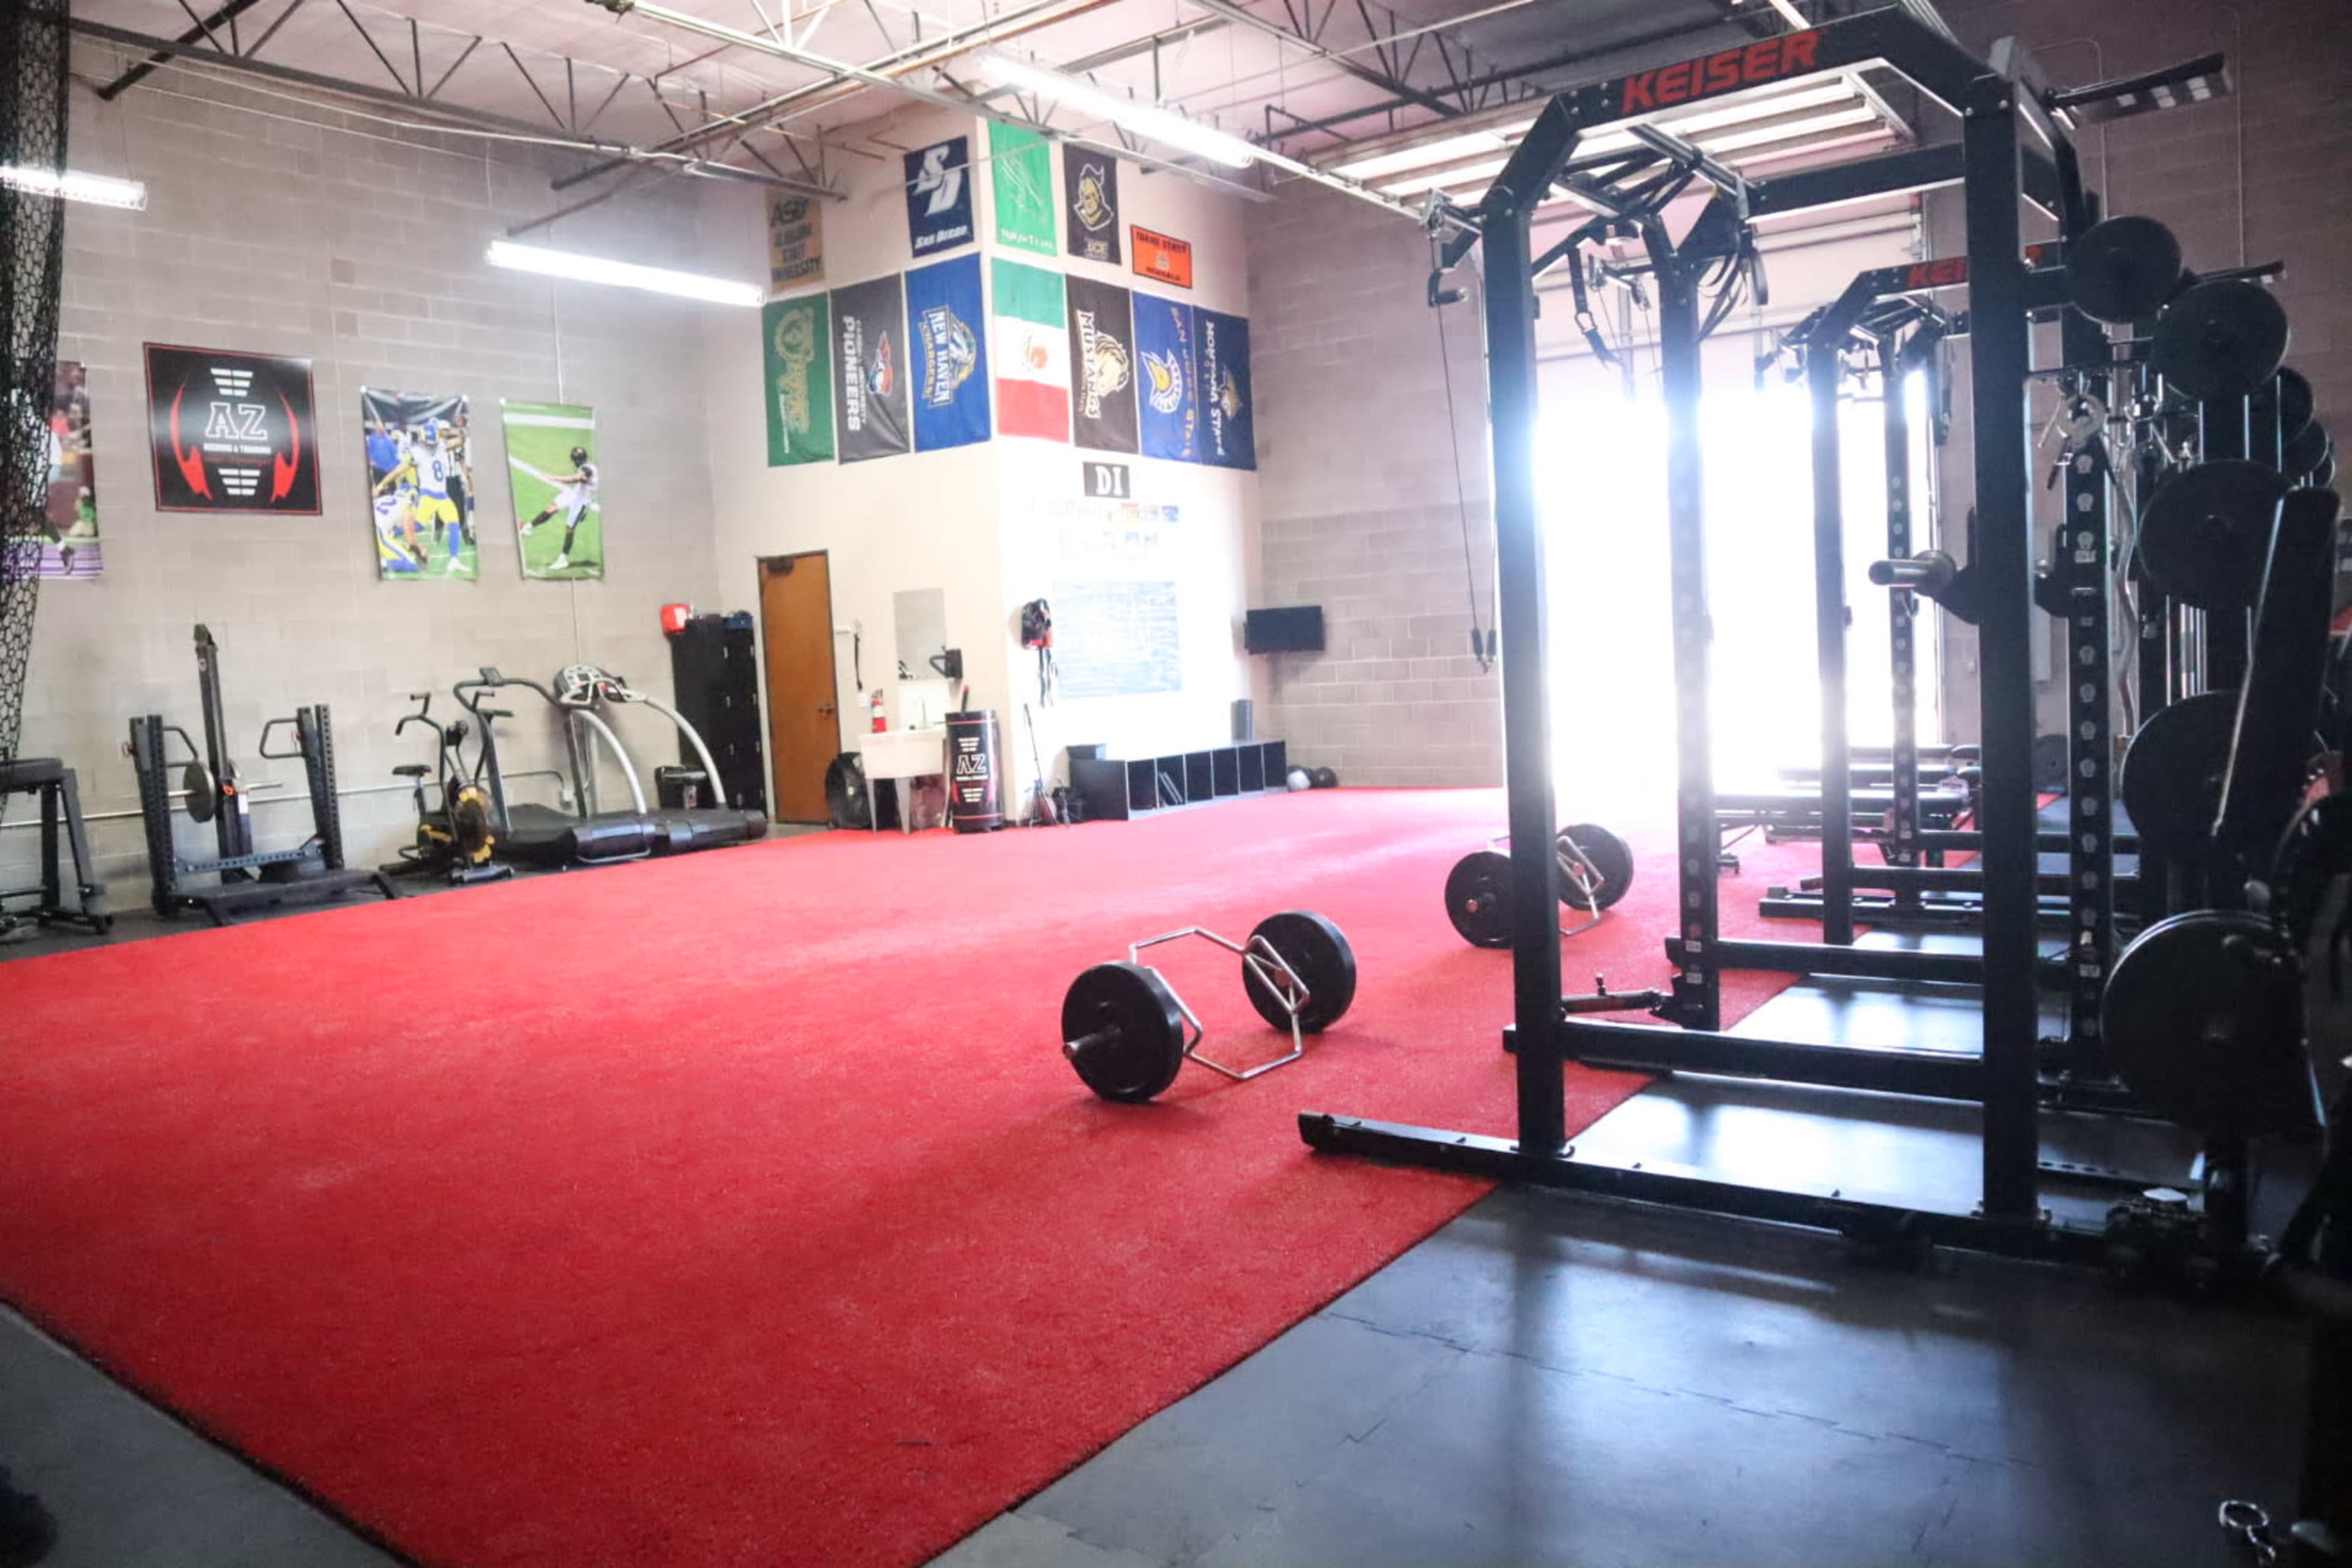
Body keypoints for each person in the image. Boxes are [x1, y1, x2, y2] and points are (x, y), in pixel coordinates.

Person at [519, 445, 597, 571]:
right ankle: (528, 527)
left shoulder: (588, 469)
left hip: (583, 500)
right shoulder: (587, 466)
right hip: (576, 493)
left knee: (570, 528)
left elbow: (575, 478)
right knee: (553, 507)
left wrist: (554, 478)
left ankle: (563, 559)